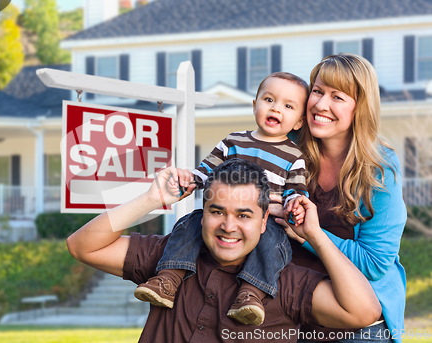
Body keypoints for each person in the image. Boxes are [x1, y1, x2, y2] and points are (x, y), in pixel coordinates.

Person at [66, 159, 382, 343]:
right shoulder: (170, 259)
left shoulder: (282, 282)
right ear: (201, 214)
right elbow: (81, 246)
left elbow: (363, 312)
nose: (228, 226)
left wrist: (314, 235)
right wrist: (151, 200)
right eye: (217, 211)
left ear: (263, 222)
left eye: (243, 215)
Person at [134, 72, 310, 326]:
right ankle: (168, 279)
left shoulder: (294, 156)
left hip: (264, 220)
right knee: (190, 223)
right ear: (255, 105)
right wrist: (189, 180)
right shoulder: (233, 141)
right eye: (269, 99)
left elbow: (296, 190)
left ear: (298, 122)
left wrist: (295, 204)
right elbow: (206, 170)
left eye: (288, 106)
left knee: (273, 243)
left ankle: (251, 295)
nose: (276, 108)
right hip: (221, 213)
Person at [277, 53, 407, 343]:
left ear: (359, 108)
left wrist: (308, 236)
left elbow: (374, 263)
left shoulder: (379, 168)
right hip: (289, 305)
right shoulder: (286, 149)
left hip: (356, 319)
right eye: (318, 91)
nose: (321, 105)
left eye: (338, 97)